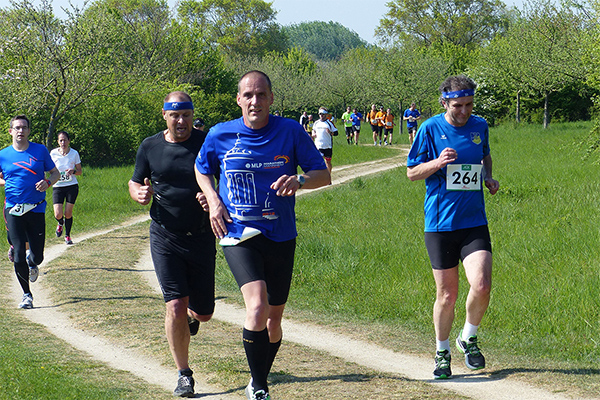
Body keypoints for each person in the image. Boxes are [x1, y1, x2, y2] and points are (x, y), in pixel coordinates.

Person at [195, 70, 330, 400]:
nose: (255, 101)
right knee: (256, 306)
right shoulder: (219, 134)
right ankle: (259, 385)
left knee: (273, 321)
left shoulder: (290, 131)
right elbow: (202, 169)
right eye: (248, 95)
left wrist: (299, 181)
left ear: (271, 98)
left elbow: (323, 175)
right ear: (239, 99)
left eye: (261, 95)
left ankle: (260, 375)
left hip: (281, 234)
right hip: (237, 232)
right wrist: (213, 201)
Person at [406, 75, 500, 380]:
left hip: (474, 220)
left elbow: (484, 154)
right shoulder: (430, 128)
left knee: (482, 285)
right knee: (447, 296)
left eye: (469, 104)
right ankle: (442, 351)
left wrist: (488, 177)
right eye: (458, 105)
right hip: (440, 224)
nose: (464, 111)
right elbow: (411, 173)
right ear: (444, 103)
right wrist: (437, 163)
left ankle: (468, 338)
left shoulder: (480, 125)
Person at [128, 91, 215, 397]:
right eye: (175, 115)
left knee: (203, 313)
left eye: (186, 115)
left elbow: (225, 179)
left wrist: (213, 197)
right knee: (175, 305)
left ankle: (193, 317)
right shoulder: (150, 146)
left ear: (193, 115)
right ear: (164, 115)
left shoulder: (207, 142)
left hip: (202, 236)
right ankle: (184, 374)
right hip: (165, 235)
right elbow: (135, 180)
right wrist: (138, 193)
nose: (181, 121)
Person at [0, 115, 60, 309]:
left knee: (38, 255)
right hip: (13, 208)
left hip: (36, 208)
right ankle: (27, 295)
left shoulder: (40, 150)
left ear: (28, 131)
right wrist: (6, 182)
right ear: (10, 131)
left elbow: (55, 173)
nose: (20, 131)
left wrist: (48, 182)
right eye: (17, 128)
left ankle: (32, 262)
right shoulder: (3, 155)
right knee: (18, 252)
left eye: (24, 127)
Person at [50, 131, 82, 245]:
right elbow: (49, 168)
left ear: (69, 141)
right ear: (58, 142)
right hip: (58, 186)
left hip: (71, 186)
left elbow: (80, 171)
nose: (63, 142)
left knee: (68, 213)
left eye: (65, 140)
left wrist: (73, 171)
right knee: (58, 214)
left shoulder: (74, 153)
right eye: (61, 140)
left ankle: (67, 236)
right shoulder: (53, 153)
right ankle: (60, 223)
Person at [311, 107, 338, 174]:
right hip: (318, 146)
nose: (321, 116)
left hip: (327, 146)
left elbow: (336, 133)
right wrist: (313, 133)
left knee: (328, 162)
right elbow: (313, 129)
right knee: (319, 161)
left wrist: (330, 132)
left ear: (326, 114)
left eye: (323, 114)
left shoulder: (329, 123)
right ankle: (320, 177)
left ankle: (328, 176)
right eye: (320, 114)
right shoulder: (316, 123)